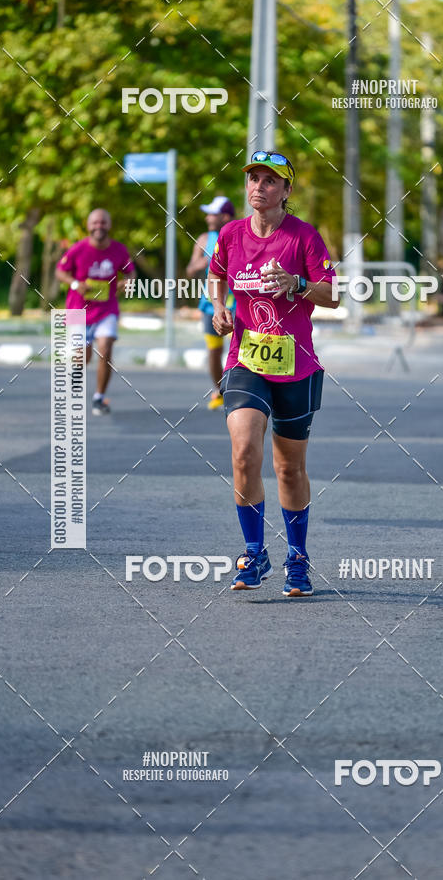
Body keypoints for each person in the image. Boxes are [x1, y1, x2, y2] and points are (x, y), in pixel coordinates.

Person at [207, 151, 338, 597]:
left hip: (295, 364)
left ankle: (297, 558)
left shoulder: (303, 237)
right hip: (245, 362)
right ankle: (253, 550)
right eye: (253, 179)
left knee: (288, 467)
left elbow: (333, 296)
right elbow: (215, 276)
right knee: (244, 450)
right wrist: (219, 308)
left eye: (269, 181)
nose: (258, 187)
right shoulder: (230, 234)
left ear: (286, 191)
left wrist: (298, 284)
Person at [56, 208, 135, 415]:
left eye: (103, 222)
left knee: (106, 348)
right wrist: (75, 284)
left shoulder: (118, 249)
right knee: (82, 356)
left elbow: (130, 272)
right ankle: (75, 375)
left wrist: (127, 283)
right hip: (77, 309)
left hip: (106, 309)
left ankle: (99, 398)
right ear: (88, 226)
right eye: (95, 223)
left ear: (109, 225)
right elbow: (60, 271)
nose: (99, 226)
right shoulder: (78, 249)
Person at [186, 196, 236, 410]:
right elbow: (189, 270)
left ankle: (241, 391)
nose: (207, 218)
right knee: (214, 352)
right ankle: (219, 390)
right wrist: (206, 261)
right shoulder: (205, 239)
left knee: (241, 352)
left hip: (238, 305)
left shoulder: (238, 235)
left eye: (212, 214)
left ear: (225, 216)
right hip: (210, 305)